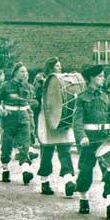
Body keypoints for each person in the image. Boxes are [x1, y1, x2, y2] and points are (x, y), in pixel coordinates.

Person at [73, 65, 110, 219]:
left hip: (105, 139)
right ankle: (83, 199)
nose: (103, 78)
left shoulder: (108, 96)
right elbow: (77, 121)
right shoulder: (82, 98)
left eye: (103, 76)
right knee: (86, 171)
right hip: (89, 140)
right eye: (100, 76)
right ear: (91, 79)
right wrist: (82, 137)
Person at [35, 57, 77, 197]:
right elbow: (35, 100)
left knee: (65, 150)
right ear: (50, 68)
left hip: (61, 117)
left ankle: (68, 180)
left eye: (60, 66)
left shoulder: (63, 80)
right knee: (47, 152)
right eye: (57, 66)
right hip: (47, 119)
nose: (59, 68)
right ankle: (44, 181)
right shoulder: (42, 81)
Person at [0, 62, 37, 184]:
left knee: (24, 145)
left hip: (24, 119)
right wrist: (0, 110)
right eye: (22, 72)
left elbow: (33, 101)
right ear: (15, 73)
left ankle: (26, 171)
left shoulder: (28, 87)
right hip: (9, 119)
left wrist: (33, 104)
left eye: (25, 72)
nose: (25, 74)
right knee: (6, 147)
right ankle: (5, 169)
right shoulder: (5, 86)